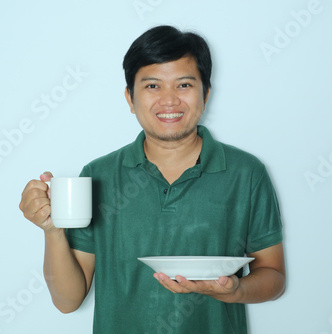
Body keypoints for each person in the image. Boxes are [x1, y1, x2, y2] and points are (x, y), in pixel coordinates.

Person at [19, 25, 285, 333]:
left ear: (206, 94)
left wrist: (236, 290)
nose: (169, 101)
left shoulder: (246, 172)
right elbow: (68, 301)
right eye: (153, 86)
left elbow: (274, 276)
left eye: (184, 85)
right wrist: (52, 231)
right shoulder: (98, 176)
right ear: (130, 99)